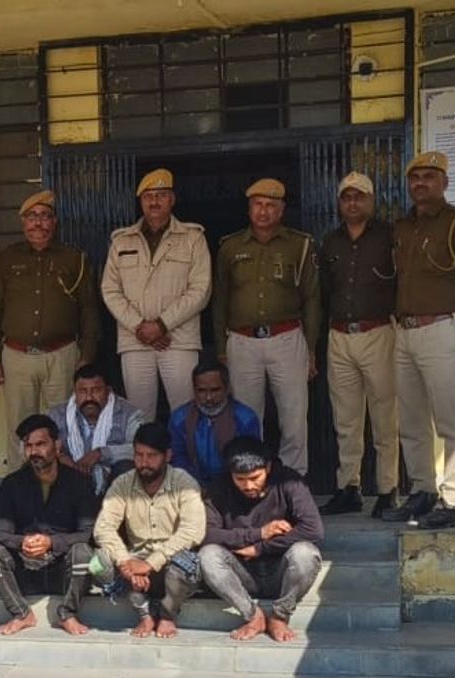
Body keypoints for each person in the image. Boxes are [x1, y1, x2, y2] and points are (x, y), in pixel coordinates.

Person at [384, 151, 455, 530]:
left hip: (442, 327)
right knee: (411, 419)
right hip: (405, 331)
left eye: (429, 177)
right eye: (415, 178)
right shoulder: (402, 226)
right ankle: (423, 490)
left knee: (450, 420)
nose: (421, 184)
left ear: (444, 182)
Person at [0, 190, 100, 468]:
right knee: (19, 428)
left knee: (64, 426)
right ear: (23, 222)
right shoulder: (7, 259)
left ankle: (63, 484)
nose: (38, 223)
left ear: (54, 222)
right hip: (17, 356)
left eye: (45, 216)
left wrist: (87, 355)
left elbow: (89, 308)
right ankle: (20, 485)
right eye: (32, 216)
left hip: (62, 355)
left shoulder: (74, 258)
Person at [213, 178, 321, 476]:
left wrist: (311, 347)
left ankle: (293, 479)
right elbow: (220, 299)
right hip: (242, 341)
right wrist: (221, 348)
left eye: (271, 205)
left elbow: (312, 299)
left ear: (282, 209)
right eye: (258, 204)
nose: (263, 211)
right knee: (246, 417)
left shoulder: (300, 245)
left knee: (294, 416)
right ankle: (251, 479)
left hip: (286, 337)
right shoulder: (230, 246)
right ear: (249, 209)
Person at [101, 168, 212, 421]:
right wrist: (140, 326)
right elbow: (110, 289)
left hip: (178, 339)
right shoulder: (122, 241)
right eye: (148, 196)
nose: (154, 201)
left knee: (187, 415)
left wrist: (161, 325)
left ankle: (184, 451)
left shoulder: (193, 238)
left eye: (161, 195)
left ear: (172, 199)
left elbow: (201, 289)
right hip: (135, 340)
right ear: (140, 201)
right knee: (139, 418)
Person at [319, 170, 399, 518]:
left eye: (359, 196)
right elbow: (323, 290)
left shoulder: (389, 236)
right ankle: (348, 487)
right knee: (346, 419)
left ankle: (387, 489)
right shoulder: (331, 241)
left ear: (372, 200)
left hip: (378, 331)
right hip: (339, 335)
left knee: (385, 416)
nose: (352, 203)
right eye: (346, 197)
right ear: (340, 202)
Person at [0, 414, 97, 637]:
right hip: (25, 570)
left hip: (63, 571)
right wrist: (22, 542)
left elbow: (89, 533)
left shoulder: (79, 483)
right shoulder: (12, 483)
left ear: (57, 446)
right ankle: (22, 613)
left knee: (83, 553)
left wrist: (51, 542)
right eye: (29, 446)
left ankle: (67, 613)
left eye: (41, 444)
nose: (34, 451)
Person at [199, 436, 323, 643]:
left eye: (255, 478)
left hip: (282, 571)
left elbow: (313, 530)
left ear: (268, 468)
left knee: (306, 553)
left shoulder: (290, 482)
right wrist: (258, 534)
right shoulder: (219, 487)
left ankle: (280, 616)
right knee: (208, 555)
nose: (248, 485)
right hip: (240, 573)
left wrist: (260, 548)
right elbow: (206, 534)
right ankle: (253, 616)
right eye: (240, 479)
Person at [91, 422, 206, 639]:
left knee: (186, 563)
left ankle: (167, 613)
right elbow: (103, 528)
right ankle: (144, 612)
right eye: (139, 455)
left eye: (152, 456)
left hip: (171, 561)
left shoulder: (184, 482)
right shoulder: (123, 483)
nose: (144, 462)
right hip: (134, 562)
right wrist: (125, 562)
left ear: (167, 456)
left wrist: (151, 563)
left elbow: (193, 531)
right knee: (97, 562)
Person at [47, 363, 144, 495]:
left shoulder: (129, 413)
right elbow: (31, 445)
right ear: (74, 392)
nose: (89, 397)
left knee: (127, 468)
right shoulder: (57, 414)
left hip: (113, 484)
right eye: (82, 391)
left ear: (108, 391)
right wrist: (59, 456)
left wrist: (100, 454)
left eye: (96, 390)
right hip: (67, 482)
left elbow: (142, 449)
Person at [167, 361, 261, 492]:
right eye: (201, 391)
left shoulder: (245, 418)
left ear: (227, 388)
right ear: (194, 390)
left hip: (234, 488)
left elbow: (248, 460)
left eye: (215, 390)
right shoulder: (179, 418)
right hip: (191, 487)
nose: (209, 397)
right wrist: (197, 486)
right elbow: (178, 459)